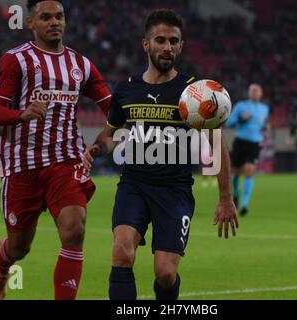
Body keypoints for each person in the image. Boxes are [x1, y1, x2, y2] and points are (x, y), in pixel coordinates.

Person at [83, 9, 238, 300]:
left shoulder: (195, 94)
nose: (167, 47)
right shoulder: (126, 90)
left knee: (165, 274)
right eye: (160, 40)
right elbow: (109, 135)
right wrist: (95, 149)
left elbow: (218, 145)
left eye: (173, 41)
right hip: (134, 185)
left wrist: (225, 198)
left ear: (180, 46)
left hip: (174, 191)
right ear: (146, 44)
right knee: (121, 251)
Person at [0, 0, 111, 300]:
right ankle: (1, 272)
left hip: (66, 162)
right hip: (22, 166)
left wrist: (109, 137)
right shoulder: (14, 60)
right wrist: (23, 114)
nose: (54, 22)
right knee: (19, 248)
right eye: (46, 17)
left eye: (59, 16)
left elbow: (114, 108)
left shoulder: (81, 64)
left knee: (74, 230)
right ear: (31, 23)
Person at [225, 84, 269, 216]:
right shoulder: (241, 106)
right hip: (240, 142)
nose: (255, 93)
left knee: (249, 171)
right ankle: (236, 195)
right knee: (236, 173)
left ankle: (244, 205)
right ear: (249, 93)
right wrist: (241, 119)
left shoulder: (264, 109)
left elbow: (261, 125)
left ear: (261, 93)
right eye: (252, 91)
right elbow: (228, 122)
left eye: (257, 91)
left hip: (254, 144)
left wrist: (264, 127)